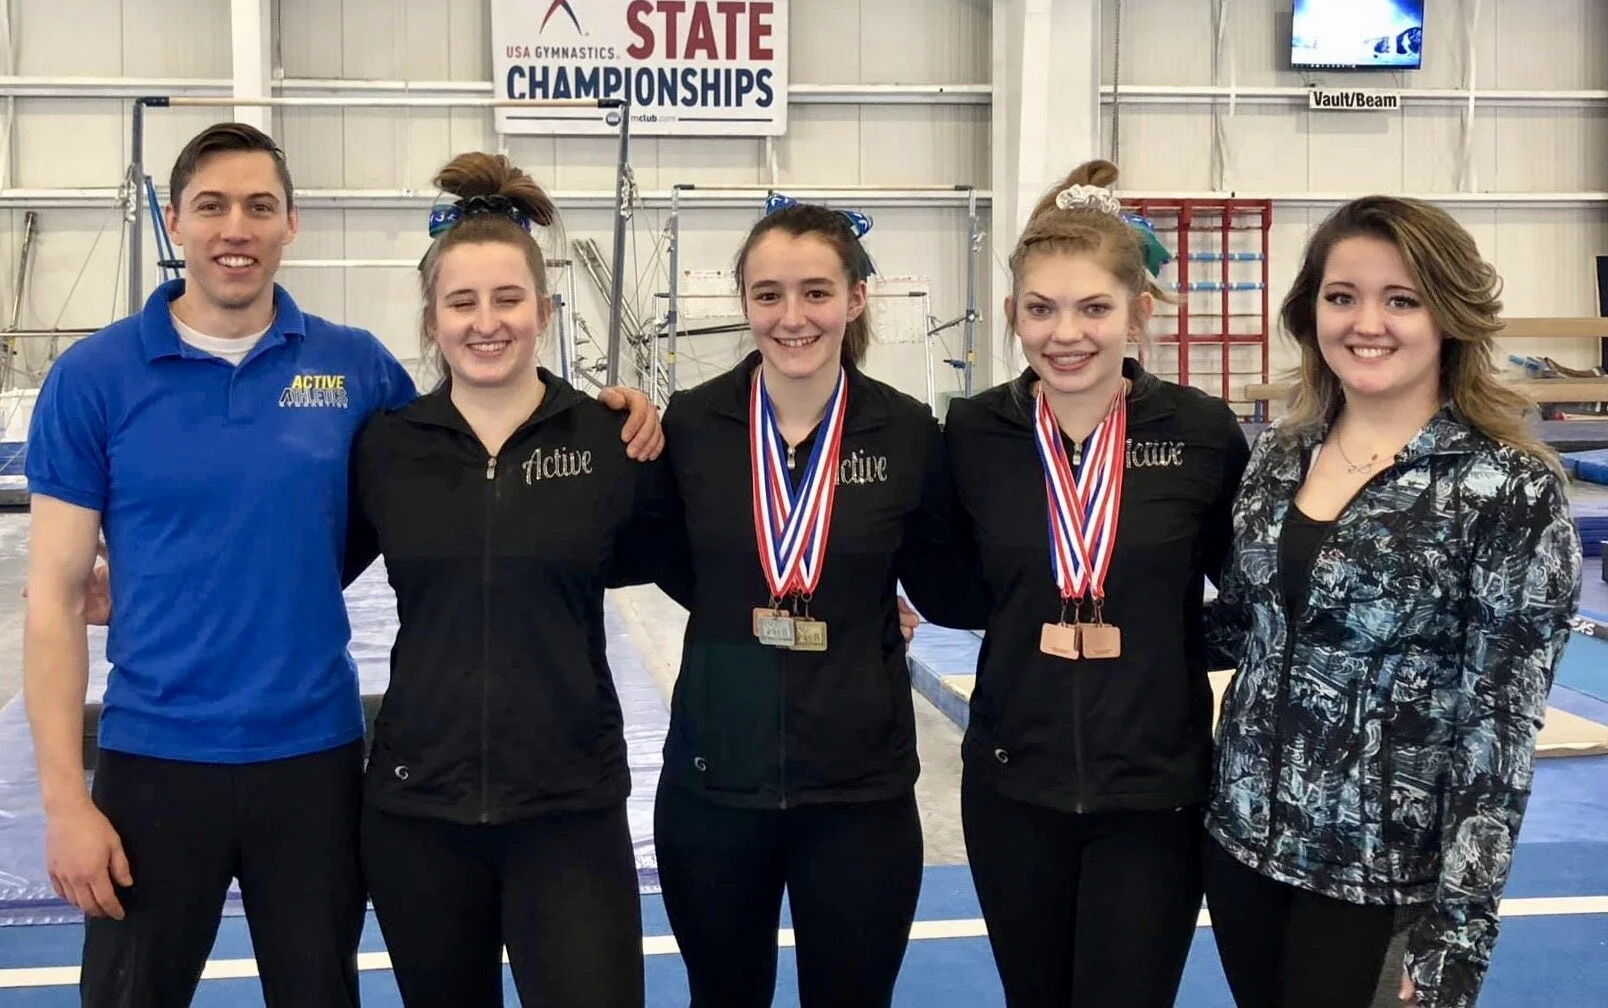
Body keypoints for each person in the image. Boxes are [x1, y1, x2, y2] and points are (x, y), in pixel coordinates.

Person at [21, 121, 660, 1008]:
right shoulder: (94, 378)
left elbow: (460, 460)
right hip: (154, 761)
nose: (234, 228)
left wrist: (615, 413)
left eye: (258, 206)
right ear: (174, 221)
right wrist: (63, 802)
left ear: (293, 223)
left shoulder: (354, 371)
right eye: (211, 206)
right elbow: (51, 601)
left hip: (315, 765)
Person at [1202, 196, 1582, 1008]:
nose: (1365, 322)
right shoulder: (1281, 455)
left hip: (1382, 877)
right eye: (1342, 297)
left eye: (1400, 299)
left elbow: (1499, 728)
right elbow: (1245, 629)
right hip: (1243, 847)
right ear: (1313, 312)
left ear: (1448, 314)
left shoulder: (1505, 491)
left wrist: (1460, 926)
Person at [346, 151, 682, 1008]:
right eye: (461, 303)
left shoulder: (613, 443)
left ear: (544, 309)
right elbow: (290, 571)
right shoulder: (388, 449)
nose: (485, 322)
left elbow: (709, 562)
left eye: (507, 299)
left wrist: (858, 600)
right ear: (431, 318)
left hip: (568, 810)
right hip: (420, 813)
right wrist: (135, 593)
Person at [936, 159, 1250, 1008]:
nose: (1064, 333)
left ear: (1137, 313)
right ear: (1012, 316)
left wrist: (1168, 644)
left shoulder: (1199, 432)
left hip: (1155, 790)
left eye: (1093, 308)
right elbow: (952, 586)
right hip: (1011, 784)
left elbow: (1250, 591)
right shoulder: (973, 433)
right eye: (1041, 309)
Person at [649, 198, 977, 1008]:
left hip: (858, 791)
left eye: (815, 293)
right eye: (768, 295)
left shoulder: (906, 432)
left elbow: (943, 577)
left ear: (855, 300)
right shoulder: (692, 424)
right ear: (745, 304)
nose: (792, 317)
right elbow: (665, 557)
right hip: (715, 782)